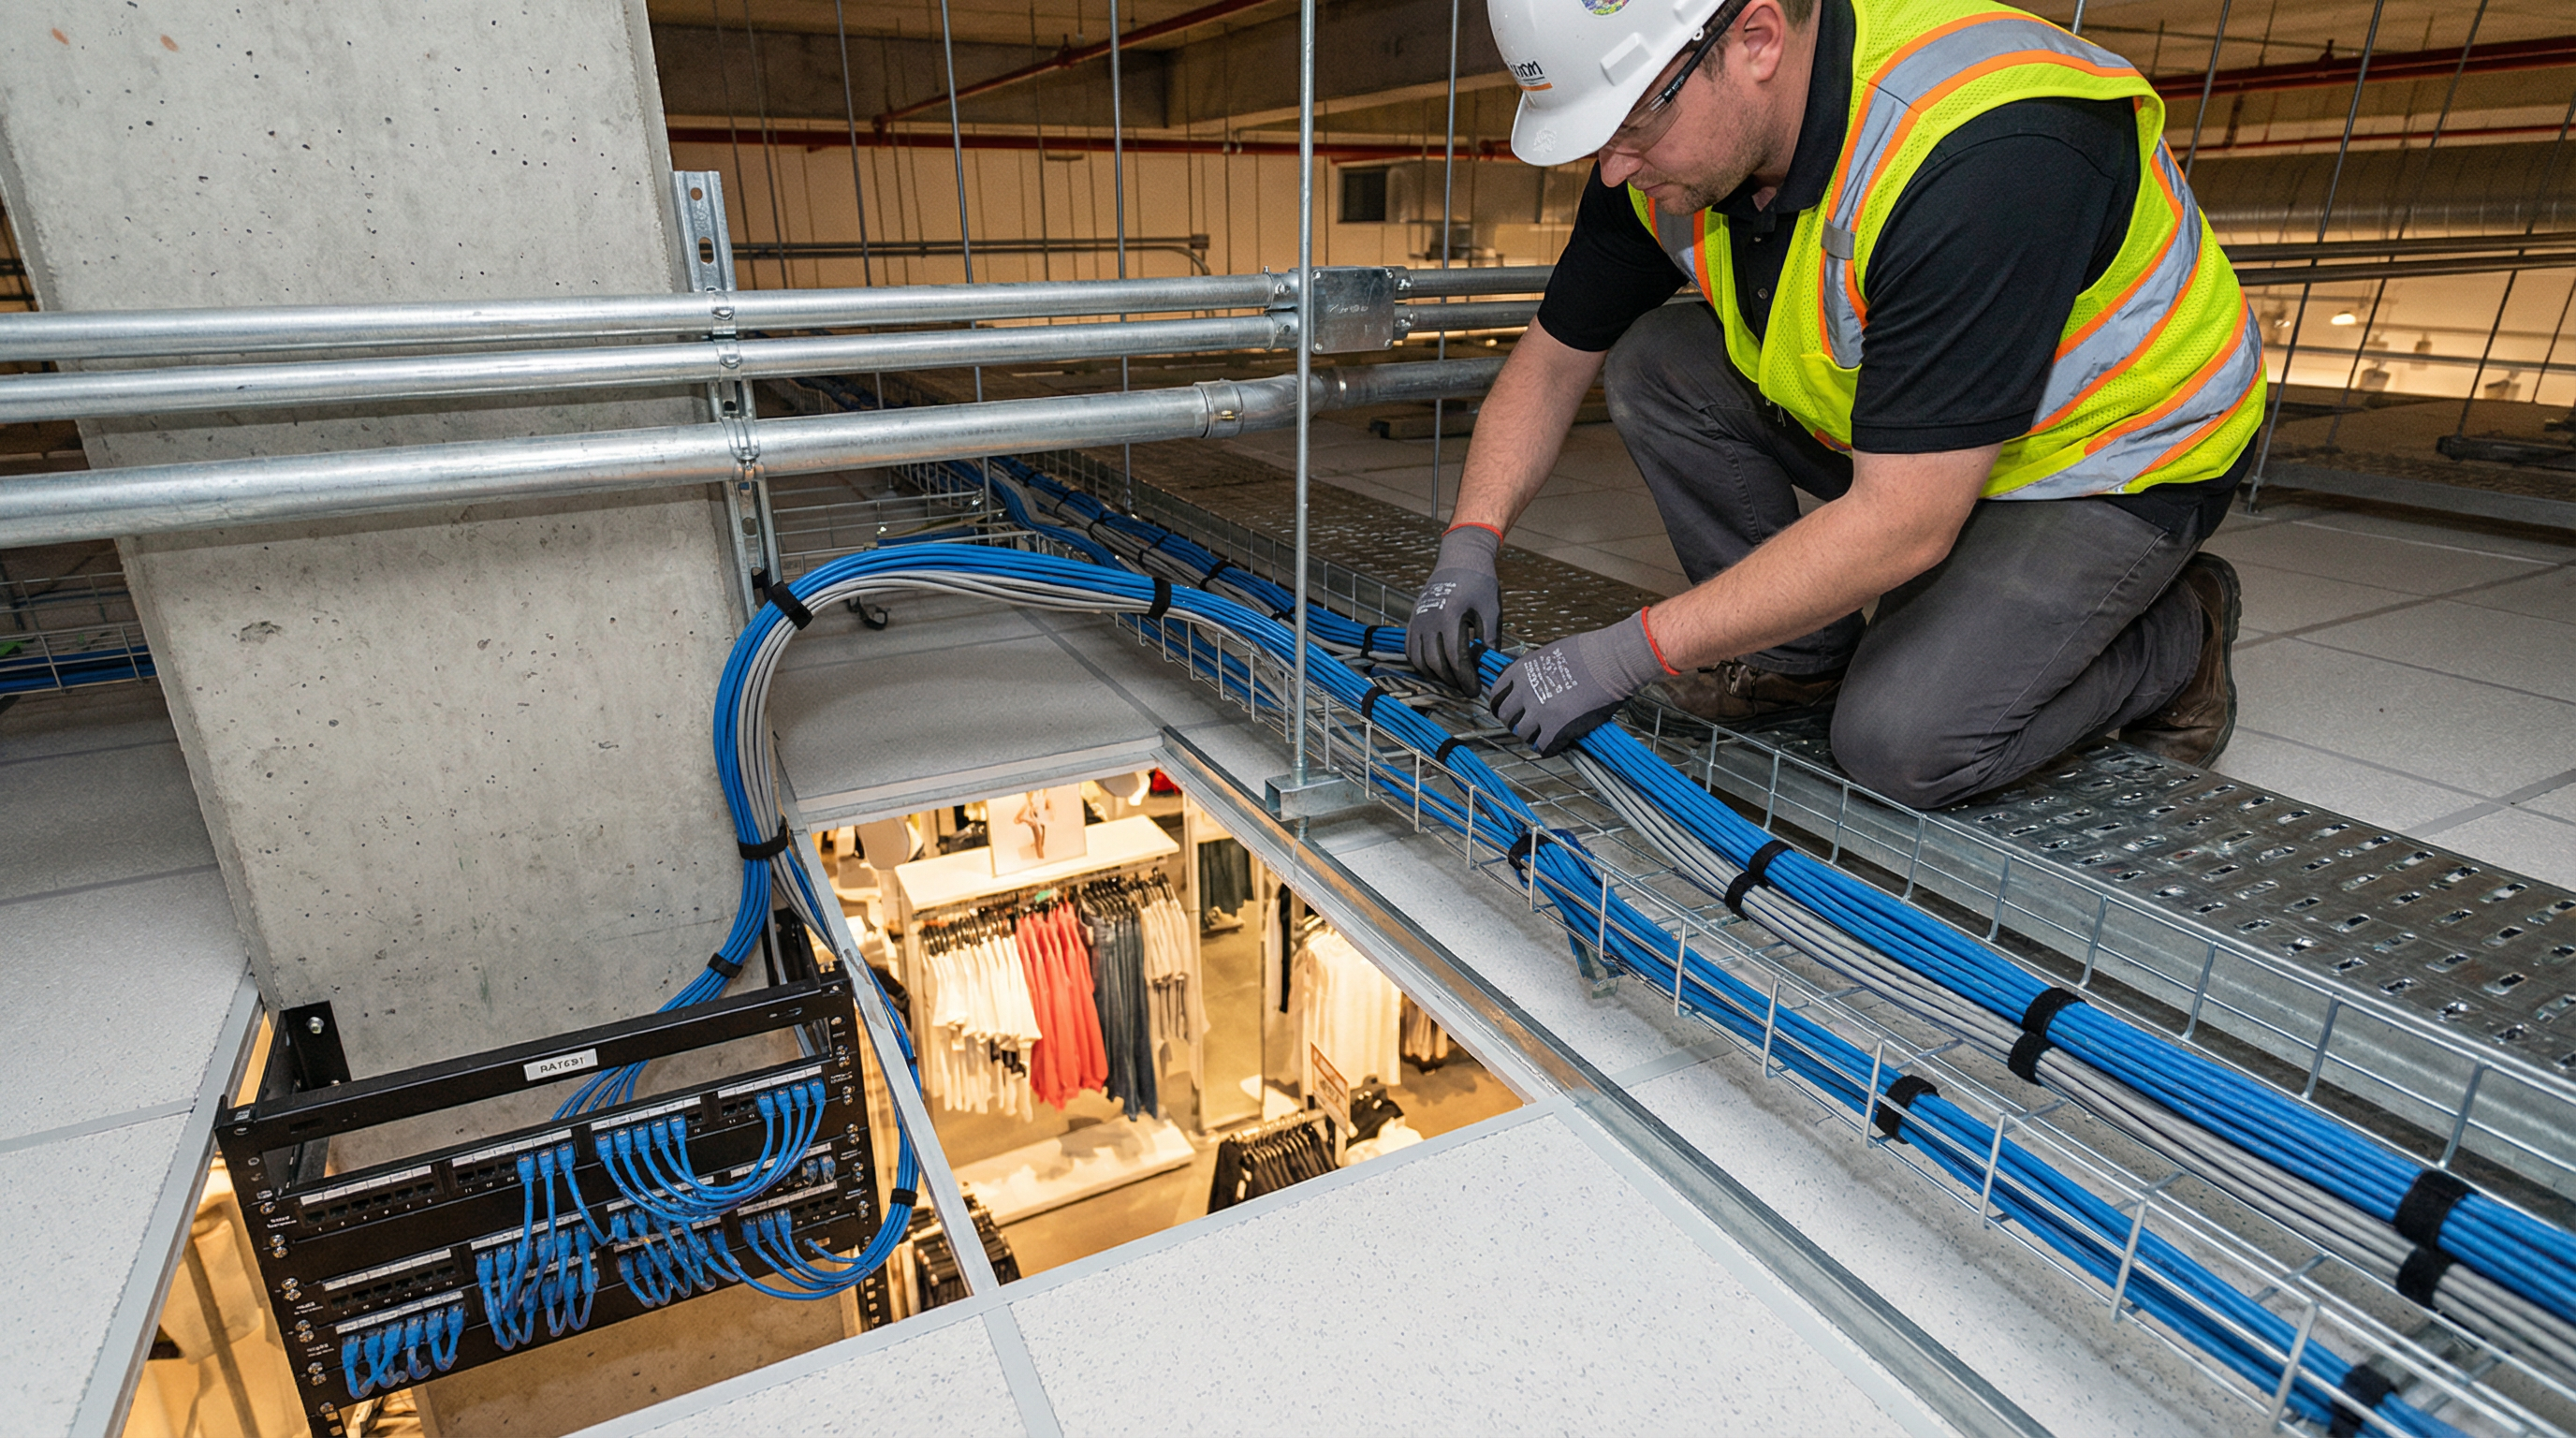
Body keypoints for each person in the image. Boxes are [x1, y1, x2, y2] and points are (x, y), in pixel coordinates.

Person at [1405, 0, 2261, 809]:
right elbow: (1552, 362)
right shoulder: (1668, 148)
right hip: (1917, 435)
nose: (1615, 167)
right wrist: (1468, 544)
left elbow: (1907, 521)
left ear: (1758, 41)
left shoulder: (1981, 151)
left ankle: (2182, 642)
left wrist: (1629, 652)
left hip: (2107, 456)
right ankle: (1791, 659)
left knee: (1903, 742)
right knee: (1657, 364)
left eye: (1631, 126)